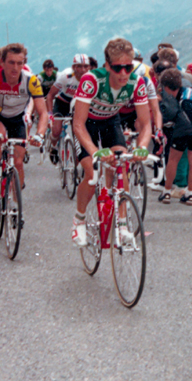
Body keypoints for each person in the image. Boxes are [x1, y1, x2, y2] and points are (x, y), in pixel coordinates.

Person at [71, 38, 151, 247]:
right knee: (91, 171)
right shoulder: (91, 80)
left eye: (128, 67)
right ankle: (79, 219)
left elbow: (145, 123)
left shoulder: (137, 82)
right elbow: (78, 125)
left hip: (110, 121)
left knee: (120, 166)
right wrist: (94, 151)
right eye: (118, 68)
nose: (124, 73)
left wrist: (142, 147)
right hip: (86, 122)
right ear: (107, 66)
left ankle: (122, 225)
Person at [0, 43, 48, 198]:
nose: (15, 67)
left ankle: (16, 208)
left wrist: (40, 134)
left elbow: (43, 112)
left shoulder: (31, 80)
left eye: (19, 63)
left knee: (18, 163)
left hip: (18, 119)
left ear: (24, 63)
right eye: (11, 62)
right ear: (2, 63)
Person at [157, 69, 192, 205]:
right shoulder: (189, 91)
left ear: (167, 87)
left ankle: (167, 192)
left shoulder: (182, 99)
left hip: (182, 129)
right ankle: (190, 193)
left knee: (173, 159)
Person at [45, 54, 91, 163]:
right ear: (74, 67)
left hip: (79, 105)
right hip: (62, 103)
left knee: (80, 134)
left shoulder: (91, 78)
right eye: (79, 66)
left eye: (86, 66)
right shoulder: (65, 76)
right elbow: (50, 95)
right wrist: (50, 114)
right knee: (56, 130)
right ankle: (54, 147)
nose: (83, 70)